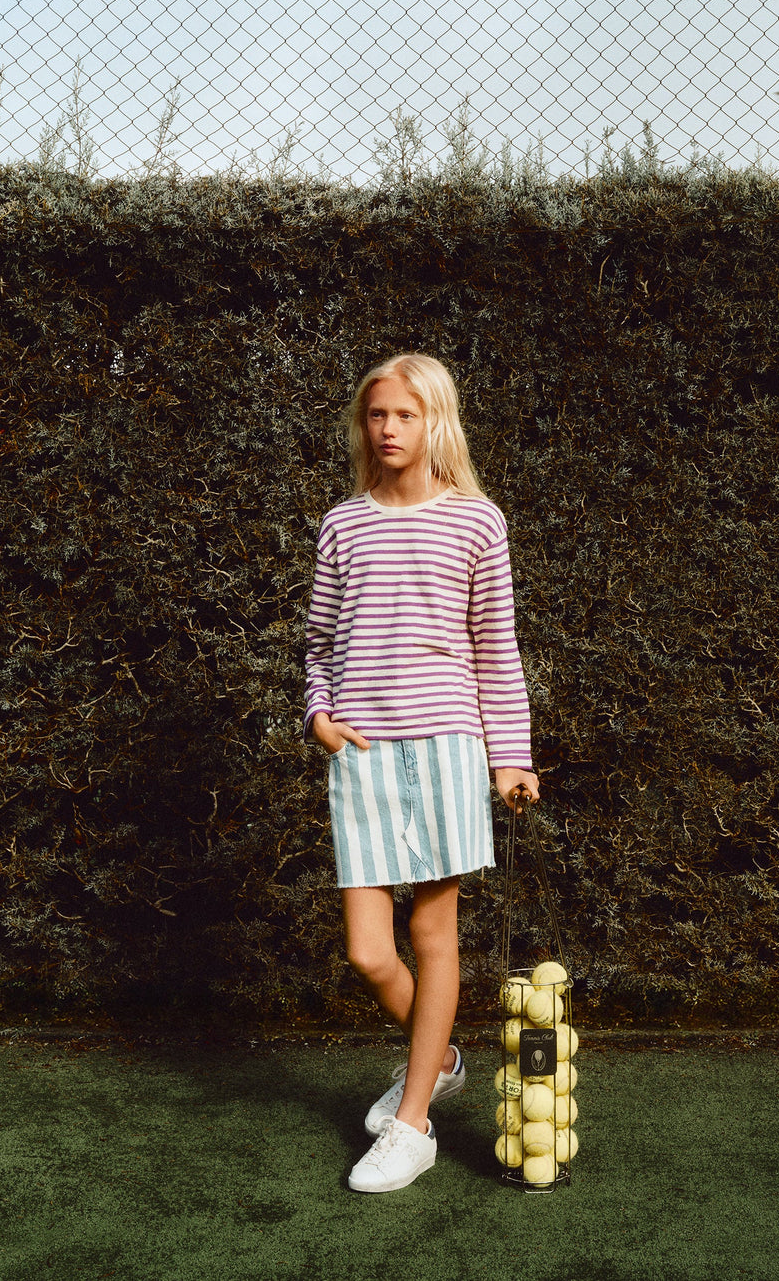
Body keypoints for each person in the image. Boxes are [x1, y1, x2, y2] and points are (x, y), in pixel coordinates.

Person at [304, 352, 539, 1193]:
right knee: (369, 953)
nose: (389, 429)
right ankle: (438, 1060)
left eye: (406, 414)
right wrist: (319, 716)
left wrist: (510, 756)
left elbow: (497, 652)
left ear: (437, 421)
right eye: (377, 415)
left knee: (434, 939)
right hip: (361, 754)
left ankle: (412, 1127)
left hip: (447, 749)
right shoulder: (343, 524)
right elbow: (318, 645)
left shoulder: (478, 522)